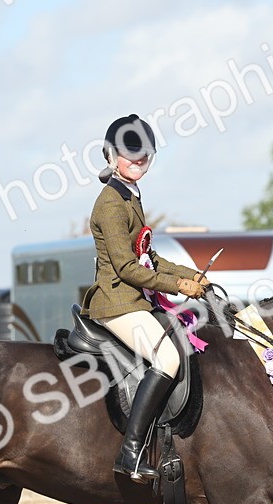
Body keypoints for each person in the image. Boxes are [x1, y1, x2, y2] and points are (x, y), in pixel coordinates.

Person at [82, 114, 209, 482]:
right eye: (129, 155)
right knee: (167, 357)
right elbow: (126, 268)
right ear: (111, 156)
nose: (137, 163)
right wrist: (178, 288)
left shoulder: (130, 196)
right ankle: (131, 452)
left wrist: (191, 275)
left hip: (134, 301)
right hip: (116, 301)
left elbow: (150, 258)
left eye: (144, 157)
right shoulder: (110, 203)